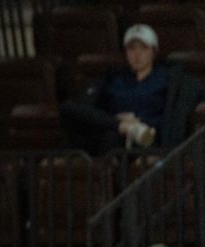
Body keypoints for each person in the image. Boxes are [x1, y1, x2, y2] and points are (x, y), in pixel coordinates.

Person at [59, 24, 204, 154]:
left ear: (154, 51)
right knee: (69, 109)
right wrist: (119, 123)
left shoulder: (169, 78)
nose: (137, 54)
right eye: (132, 48)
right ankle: (124, 127)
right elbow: (83, 107)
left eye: (143, 48)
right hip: (114, 132)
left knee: (112, 140)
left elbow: (196, 92)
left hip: (150, 138)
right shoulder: (114, 78)